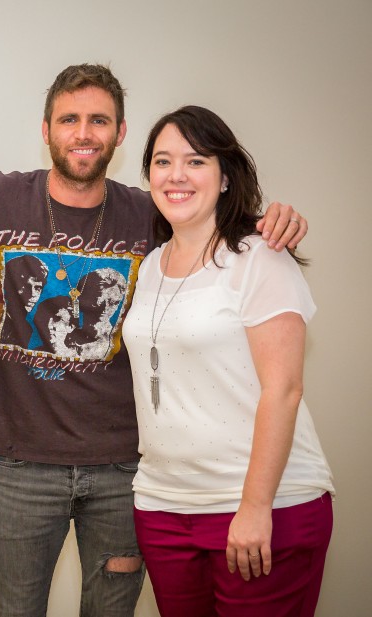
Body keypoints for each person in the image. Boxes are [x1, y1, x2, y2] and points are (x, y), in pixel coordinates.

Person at [0, 64, 308, 616]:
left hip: (123, 468)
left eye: (98, 120)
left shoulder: (151, 211)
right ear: (46, 130)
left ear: (120, 132)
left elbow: (213, 219)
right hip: (22, 466)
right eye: (69, 119)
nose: (83, 133)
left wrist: (271, 220)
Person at [122, 105, 334, 617]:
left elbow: (283, 390)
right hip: (164, 506)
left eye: (195, 161)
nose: (176, 175)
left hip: (261, 505)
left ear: (224, 177)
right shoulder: (151, 265)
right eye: (162, 161)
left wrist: (255, 507)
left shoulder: (261, 258)